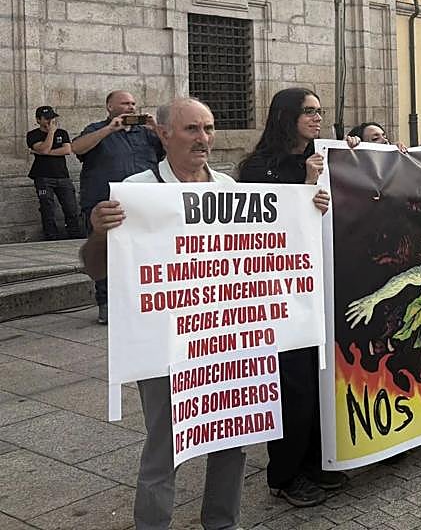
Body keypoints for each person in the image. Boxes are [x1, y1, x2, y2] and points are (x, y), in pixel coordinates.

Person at [80, 98, 330, 527]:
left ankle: (222, 522)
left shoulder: (229, 191)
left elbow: (267, 254)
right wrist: (100, 234)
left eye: (209, 129)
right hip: (166, 346)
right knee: (166, 445)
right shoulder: (137, 191)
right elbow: (94, 267)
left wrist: (307, 211)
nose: (204, 140)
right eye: (192, 129)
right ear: (163, 134)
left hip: (228, 342)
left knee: (233, 440)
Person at [237, 88, 347, 507]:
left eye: (320, 111)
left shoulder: (323, 156)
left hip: (321, 286)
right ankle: (283, 475)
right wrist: (304, 187)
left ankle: (316, 462)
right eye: (308, 112)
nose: (317, 119)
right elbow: (265, 225)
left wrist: (352, 149)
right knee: (294, 386)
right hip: (281, 292)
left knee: (319, 385)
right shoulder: (258, 167)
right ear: (286, 116)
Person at [74, 90, 164, 324]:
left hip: (143, 204)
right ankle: (106, 304)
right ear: (110, 107)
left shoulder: (146, 134)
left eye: (133, 103)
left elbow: (173, 150)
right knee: (106, 254)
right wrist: (109, 130)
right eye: (125, 103)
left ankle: (140, 302)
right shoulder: (95, 129)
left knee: (143, 255)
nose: (131, 107)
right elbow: (77, 148)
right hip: (104, 204)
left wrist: (157, 129)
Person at [26, 105, 83, 240]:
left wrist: (41, 152)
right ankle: (51, 235)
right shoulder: (33, 135)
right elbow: (44, 148)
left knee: (70, 206)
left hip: (62, 176)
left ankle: (74, 233)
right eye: (46, 119)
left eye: (52, 118)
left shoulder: (62, 133)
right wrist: (50, 133)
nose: (50, 122)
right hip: (43, 176)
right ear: (38, 120)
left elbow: (67, 150)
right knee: (47, 207)